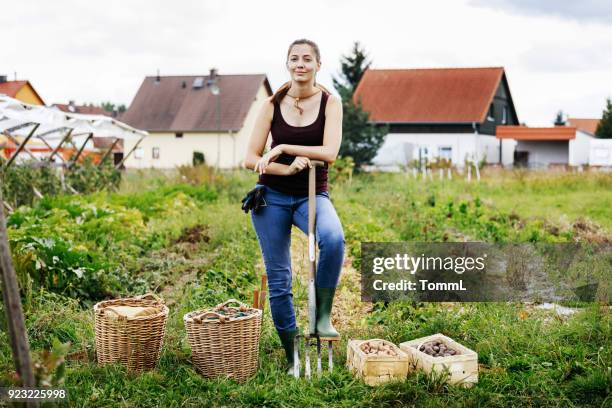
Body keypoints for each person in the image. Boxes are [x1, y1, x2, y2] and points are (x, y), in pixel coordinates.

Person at [243, 38, 345, 375]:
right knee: (279, 279)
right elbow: (251, 158)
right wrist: (285, 167)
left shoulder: (331, 102)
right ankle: (292, 355)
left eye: (306, 59)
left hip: (311, 195)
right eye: (293, 59)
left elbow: (329, 152)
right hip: (270, 197)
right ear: (287, 64)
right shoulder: (272, 104)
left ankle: (322, 316)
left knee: (332, 239)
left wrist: (284, 144)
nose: (300, 64)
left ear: (319, 63)